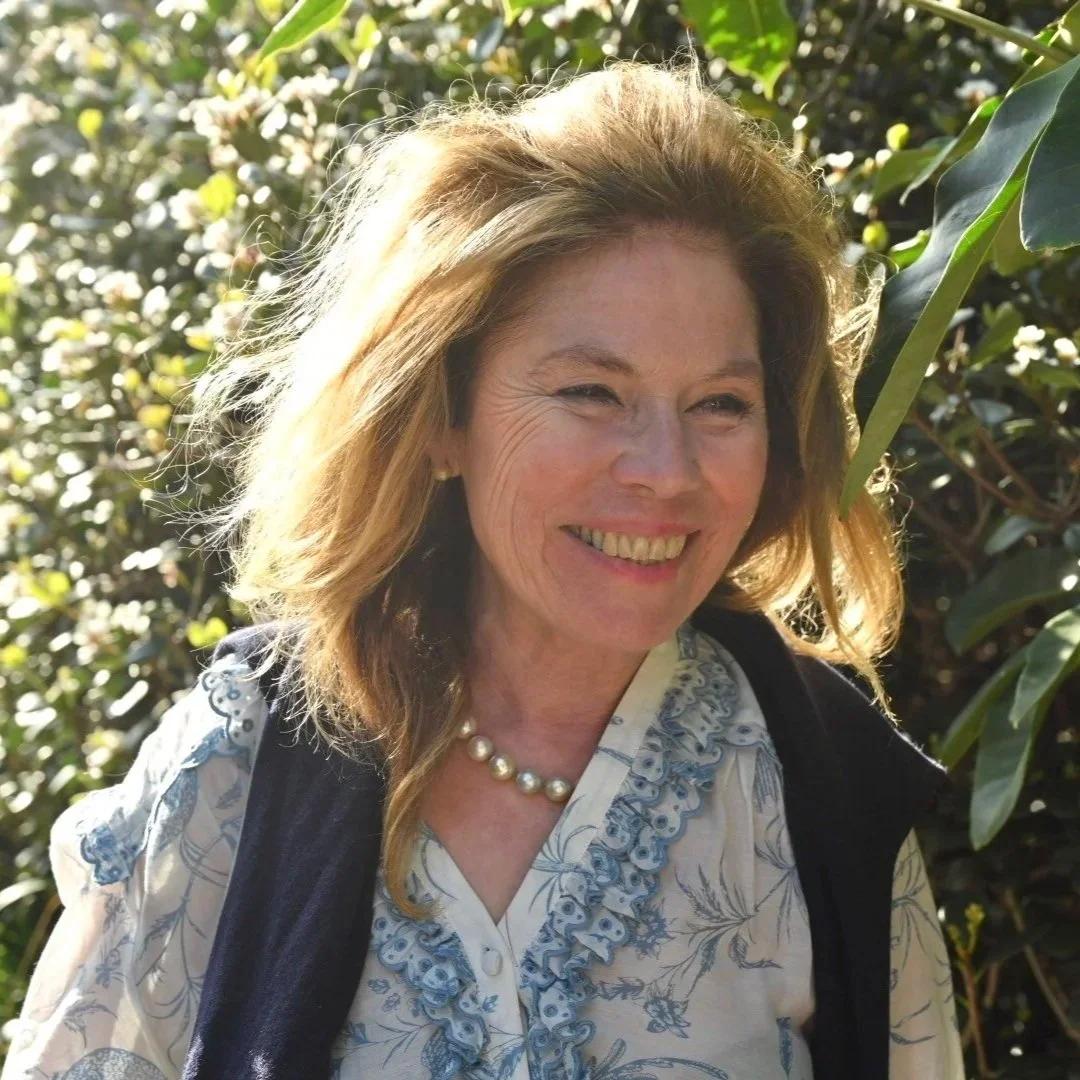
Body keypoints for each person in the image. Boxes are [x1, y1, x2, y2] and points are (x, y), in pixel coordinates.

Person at [2, 56, 964, 1080]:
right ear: (441, 415)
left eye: (721, 404)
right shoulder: (238, 767)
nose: (666, 470)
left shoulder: (825, 793)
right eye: (592, 392)